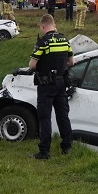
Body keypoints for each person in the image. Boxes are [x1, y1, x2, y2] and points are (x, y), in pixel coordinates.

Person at [28, 14, 74, 160]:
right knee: (63, 116)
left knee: (44, 117)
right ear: (53, 24)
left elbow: (32, 65)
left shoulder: (43, 42)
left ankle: (44, 152)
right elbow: (71, 62)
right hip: (61, 83)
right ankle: (67, 147)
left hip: (46, 84)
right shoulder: (64, 40)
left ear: (43, 26)